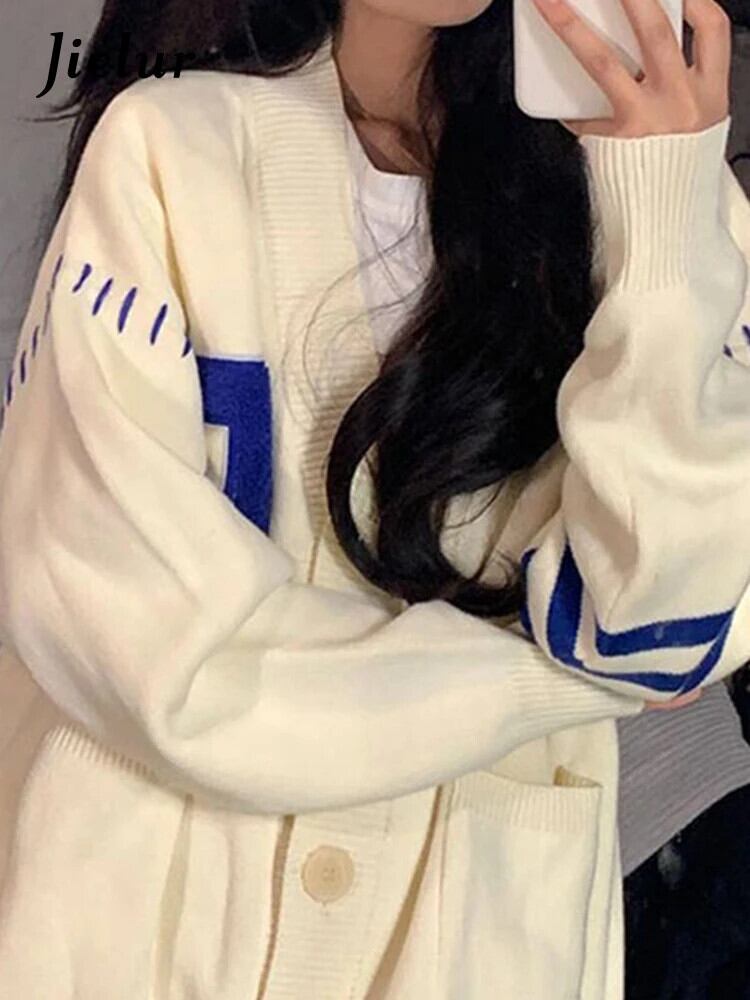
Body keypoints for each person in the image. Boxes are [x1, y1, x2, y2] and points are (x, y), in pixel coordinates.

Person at [0, 1, 748, 997]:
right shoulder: (169, 154)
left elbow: (670, 610)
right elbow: (156, 659)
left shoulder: (669, 207)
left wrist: (663, 219)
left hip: (473, 941)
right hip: (144, 934)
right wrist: (565, 679)